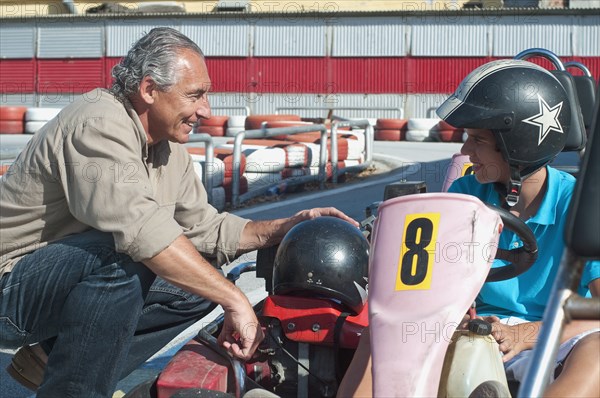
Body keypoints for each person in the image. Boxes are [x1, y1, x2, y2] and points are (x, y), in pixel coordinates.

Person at [0, 27, 357, 397]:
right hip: (10, 286)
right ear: (150, 90)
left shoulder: (166, 150)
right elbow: (143, 232)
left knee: (197, 282)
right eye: (195, 95)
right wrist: (233, 301)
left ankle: (58, 361)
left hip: (53, 284)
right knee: (126, 255)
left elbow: (203, 229)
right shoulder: (98, 123)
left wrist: (283, 227)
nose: (206, 110)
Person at [337, 59, 599, 398]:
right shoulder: (464, 193)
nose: (464, 151)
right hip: (473, 326)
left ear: (517, 146)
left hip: (552, 333)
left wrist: (527, 334)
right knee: (386, 329)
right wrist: (451, 319)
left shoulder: (580, 205)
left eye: (477, 140)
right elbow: (424, 282)